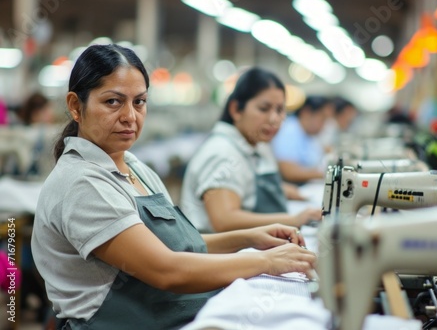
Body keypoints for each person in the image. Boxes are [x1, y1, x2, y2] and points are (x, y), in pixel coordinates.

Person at [31, 45, 316, 330]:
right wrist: (266, 262)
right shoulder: (82, 182)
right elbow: (166, 270)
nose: (130, 116)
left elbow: (181, 245)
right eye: (113, 102)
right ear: (75, 106)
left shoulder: (135, 168)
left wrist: (249, 238)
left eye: (139, 102)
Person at [180, 67, 322, 233]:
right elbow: (224, 220)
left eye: (279, 110)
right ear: (236, 110)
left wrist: (280, 189)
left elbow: (245, 184)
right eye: (264, 109)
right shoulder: (223, 153)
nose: (274, 119)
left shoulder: (256, 145)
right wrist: (294, 220)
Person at [271, 95, 333, 184]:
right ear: (307, 112)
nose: (324, 125)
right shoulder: (289, 130)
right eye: (323, 118)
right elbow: (289, 172)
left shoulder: (308, 134)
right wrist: (329, 174)